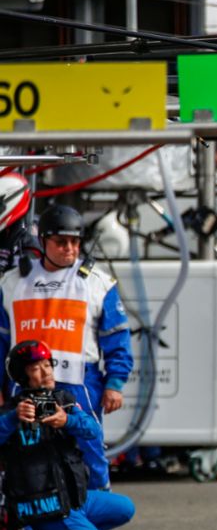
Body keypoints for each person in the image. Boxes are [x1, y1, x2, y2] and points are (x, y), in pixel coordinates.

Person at [0, 205, 132, 491]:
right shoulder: (11, 283)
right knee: (22, 456)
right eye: (61, 242)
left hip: (81, 385)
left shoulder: (98, 283)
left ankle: (95, 512)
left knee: (89, 451)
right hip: (22, 387)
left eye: (75, 242)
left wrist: (115, 384)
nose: (69, 249)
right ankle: (27, 515)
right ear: (43, 240)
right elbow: (1, 343)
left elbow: (117, 338)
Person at [5, 340, 134, 530]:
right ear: (23, 377)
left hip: (73, 498)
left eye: (47, 365)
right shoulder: (13, 411)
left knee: (125, 508)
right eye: (36, 368)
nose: (46, 372)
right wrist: (14, 417)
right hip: (46, 506)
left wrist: (67, 421)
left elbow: (93, 431)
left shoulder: (63, 401)